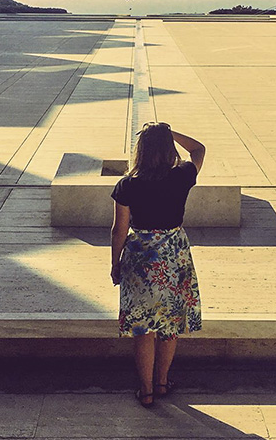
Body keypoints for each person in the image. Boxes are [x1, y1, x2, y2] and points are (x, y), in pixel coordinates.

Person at [110, 121, 205, 408]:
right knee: (169, 324)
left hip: (141, 258)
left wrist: (116, 265)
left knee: (143, 328)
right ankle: (162, 382)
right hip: (173, 256)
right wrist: (169, 132)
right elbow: (198, 149)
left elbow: (119, 230)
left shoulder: (128, 184)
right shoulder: (182, 176)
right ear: (168, 149)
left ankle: (146, 390)